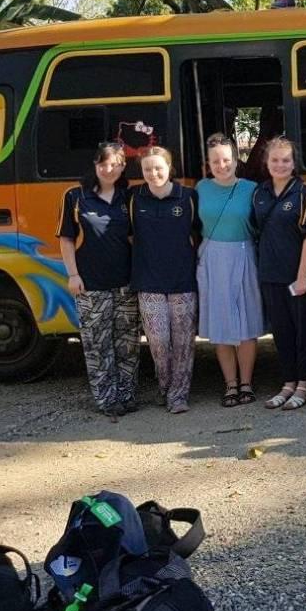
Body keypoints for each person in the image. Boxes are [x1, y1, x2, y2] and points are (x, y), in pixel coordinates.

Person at [58, 141, 139, 416]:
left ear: (123, 166)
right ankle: (107, 399)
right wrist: (73, 275)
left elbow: (134, 238)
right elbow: (66, 239)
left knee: (127, 344)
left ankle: (127, 395)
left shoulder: (128, 197)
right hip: (90, 284)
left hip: (125, 283)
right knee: (97, 344)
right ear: (95, 165)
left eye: (115, 164)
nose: (109, 169)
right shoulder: (75, 197)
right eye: (103, 164)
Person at [196, 134, 266, 407]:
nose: (222, 165)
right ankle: (230, 384)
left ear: (236, 161)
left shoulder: (251, 189)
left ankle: (246, 383)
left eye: (226, 160)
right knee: (221, 322)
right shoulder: (201, 188)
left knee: (247, 321)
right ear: (208, 163)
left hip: (244, 253)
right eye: (216, 161)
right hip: (212, 257)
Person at [129, 147, 200, 414]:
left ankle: (179, 395)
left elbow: (197, 233)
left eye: (158, 167)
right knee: (158, 342)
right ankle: (165, 386)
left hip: (183, 280)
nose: (153, 173)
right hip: (148, 281)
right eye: (147, 169)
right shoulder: (134, 197)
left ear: (169, 167)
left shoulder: (188, 197)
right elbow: (129, 234)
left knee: (183, 343)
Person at [249, 136, 306, 410]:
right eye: (275, 160)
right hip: (270, 274)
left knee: (303, 331)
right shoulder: (259, 193)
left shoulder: (303, 192)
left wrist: (302, 275)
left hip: (298, 276)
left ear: (294, 163)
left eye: (286, 160)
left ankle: (304, 385)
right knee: (281, 332)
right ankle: (288, 382)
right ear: (266, 162)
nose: (280, 165)